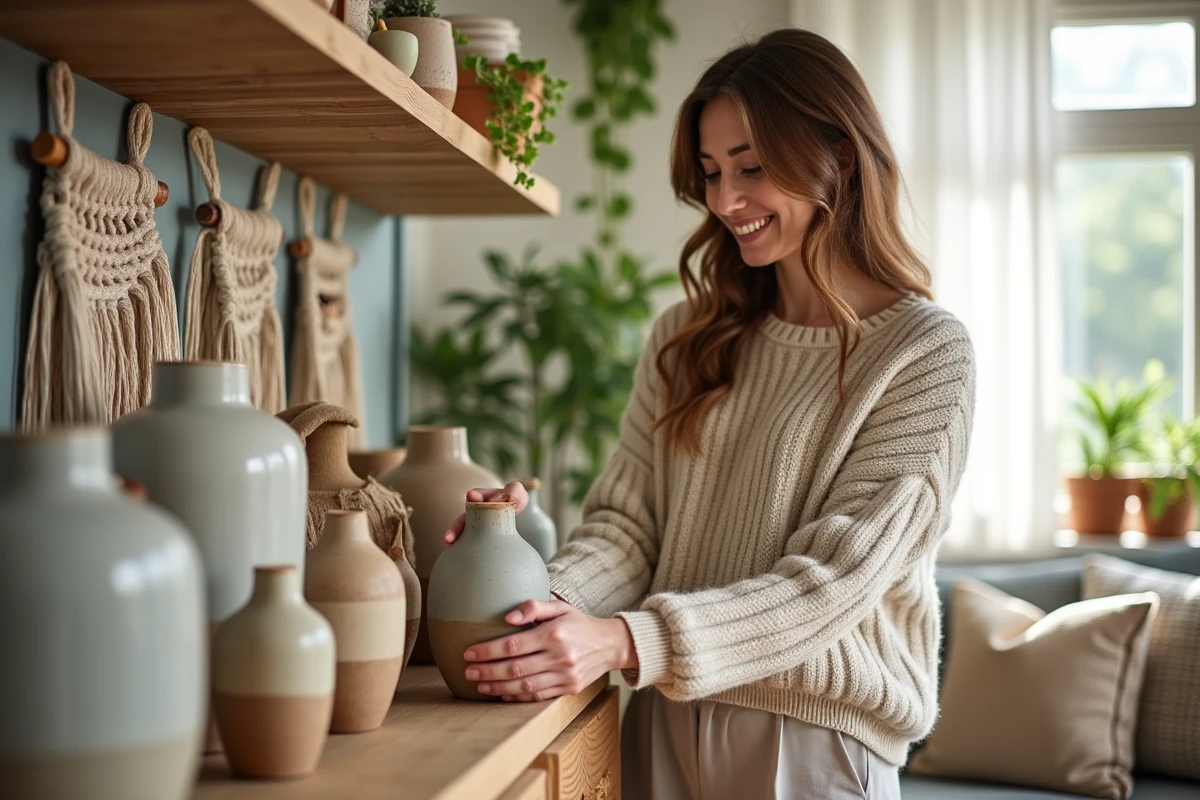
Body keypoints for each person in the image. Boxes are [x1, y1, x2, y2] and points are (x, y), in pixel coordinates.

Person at [443, 27, 975, 800]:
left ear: (841, 157)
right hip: (659, 720)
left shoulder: (924, 354)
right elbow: (630, 530)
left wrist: (629, 639)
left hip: (813, 745)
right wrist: (535, 597)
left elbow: (834, 581)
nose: (726, 201)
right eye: (711, 171)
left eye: (752, 168)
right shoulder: (687, 339)